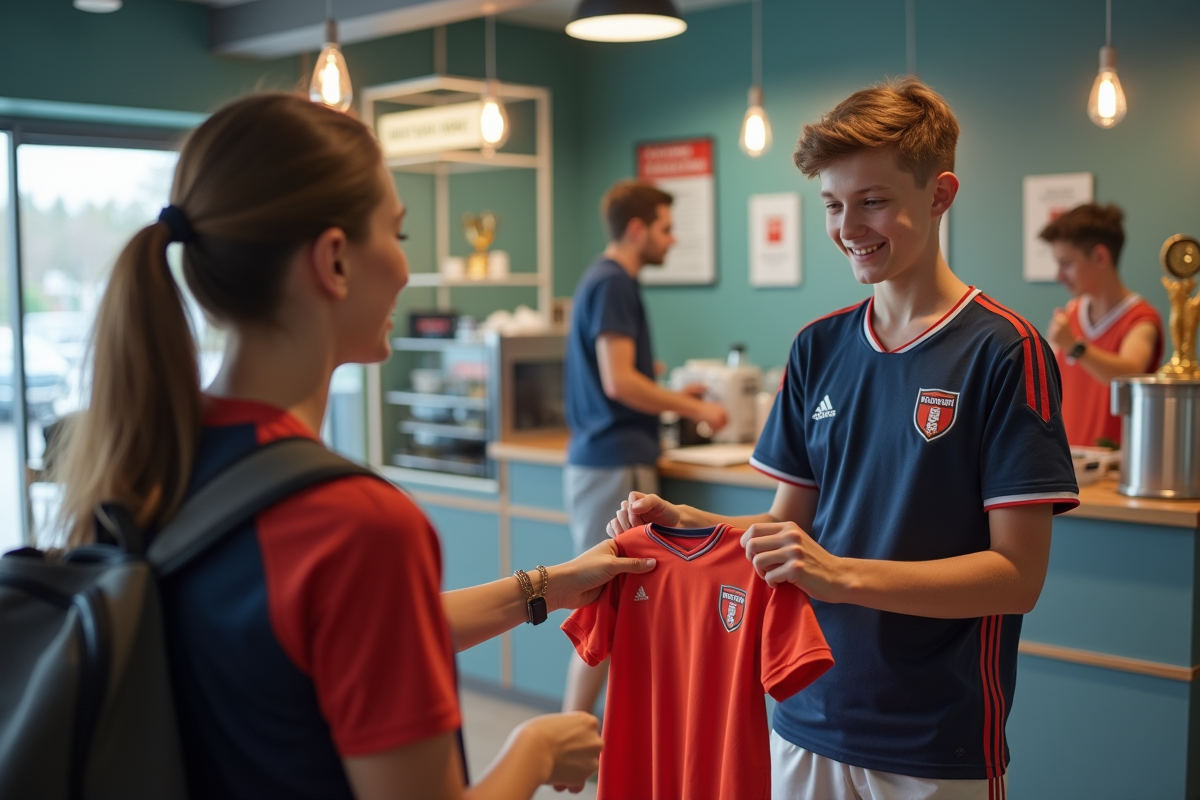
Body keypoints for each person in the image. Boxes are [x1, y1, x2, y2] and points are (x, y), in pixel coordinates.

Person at [50, 93, 656, 800]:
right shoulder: (357, 524)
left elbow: (331, 640)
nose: (404, 267)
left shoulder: (148, 460)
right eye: (397, 233)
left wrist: (549, 585)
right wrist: (536, 751)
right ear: (334, 260)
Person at [609, 78, 1078, 800]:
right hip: (806, 709)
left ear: (940, 195)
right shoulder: (816, 348)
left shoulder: (1005, 351)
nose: (848, 227)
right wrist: (694, 524)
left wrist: (841, 575)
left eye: (873, 201)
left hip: (933, 739)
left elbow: (1017, 578)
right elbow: (790, 530)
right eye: (832, 204)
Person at [560, 179, 727, 715]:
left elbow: (620, 373)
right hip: (614, 463)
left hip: (604, 461)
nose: (672, 240)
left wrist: (665, 388)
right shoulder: (614, 282)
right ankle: (572, 733)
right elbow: (618, 381)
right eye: (665, 229)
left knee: (610, 604)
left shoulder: (603, 279)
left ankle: (584, 732)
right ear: (637, 229)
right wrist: (694, 409)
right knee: (605, 605)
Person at [1040, 203, 1163, 448]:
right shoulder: (1070, 314)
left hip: (1121, 463)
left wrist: (1075, 347)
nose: (1059, 276)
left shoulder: (1140, 319)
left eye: (1066, 264)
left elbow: (1129, 374)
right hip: (1069, 461)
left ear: (1100, 257)